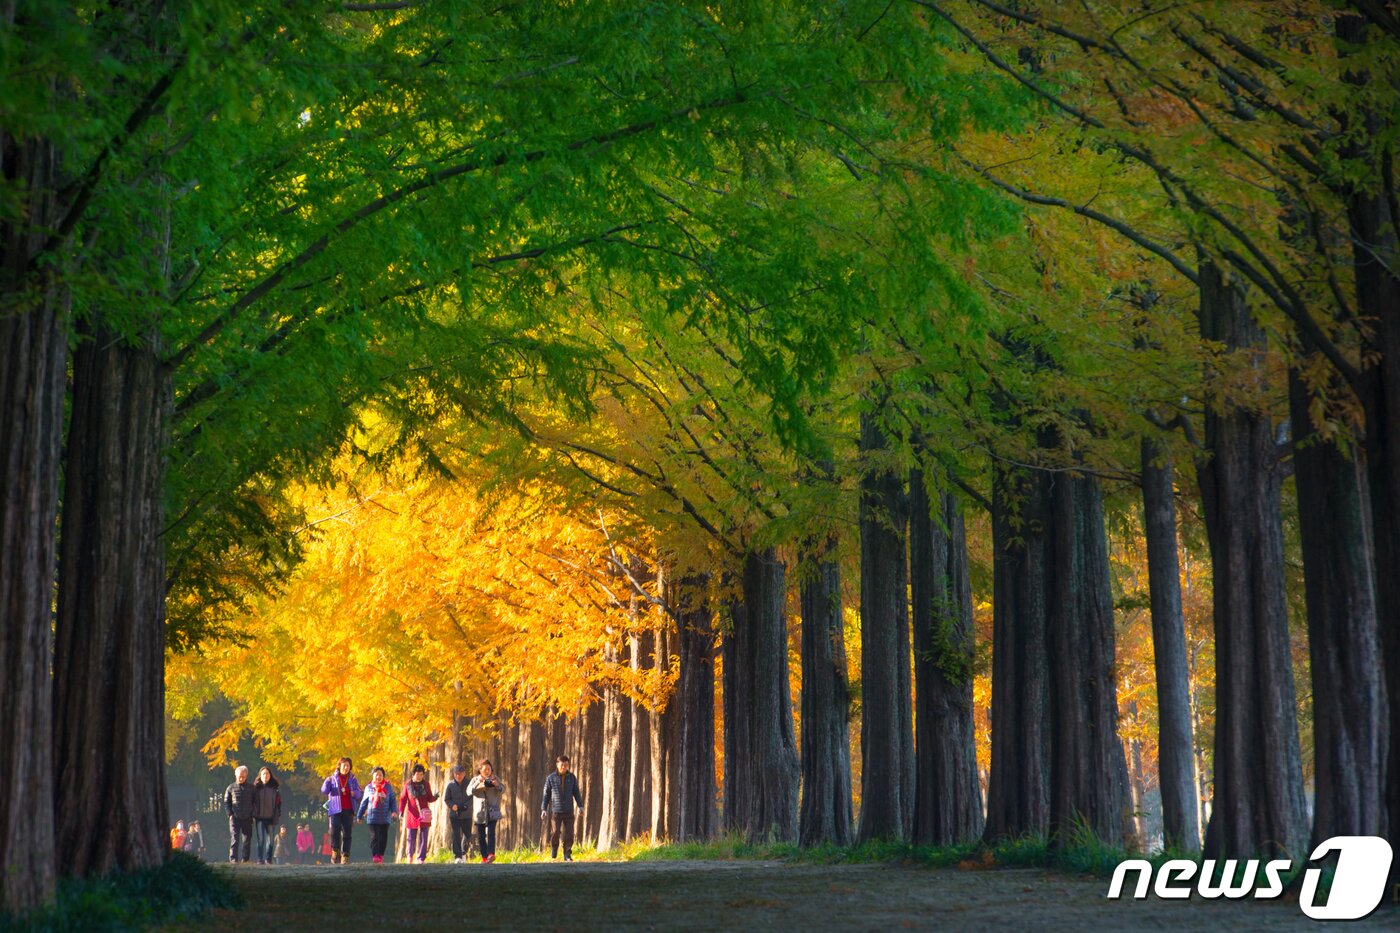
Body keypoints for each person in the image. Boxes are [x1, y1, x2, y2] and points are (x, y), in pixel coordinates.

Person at [540, 755, 583, 861]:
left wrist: (580, 806)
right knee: (555, 832)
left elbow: (576, 793)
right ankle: (554, 846)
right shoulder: (551, 778)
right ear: (557, 764)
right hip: (556, 811)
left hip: (569, 810)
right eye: (562, 764)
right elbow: (546, 795)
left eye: (566, 765)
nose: (564, 767)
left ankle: (567, 854)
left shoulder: (572, 778)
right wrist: (544, 809)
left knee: (569, 833)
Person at [320, 757, 361, 864]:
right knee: (335, 831)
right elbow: (324, 791)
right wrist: (326, 781)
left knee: (347, 833)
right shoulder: (332, 778)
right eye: (344, 765)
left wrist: (355, 793)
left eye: (348, 766)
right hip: (335, 809)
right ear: (339, 766)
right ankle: (335, 850)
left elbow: (359, 793)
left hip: (348, 809)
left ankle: (345, 855)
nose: (346, 768)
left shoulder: (353, 779)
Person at [466, 759, 506, 864]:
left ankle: (491, 854)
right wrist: (479, 783)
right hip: (479, 813)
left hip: (493, 811)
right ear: (480, 770)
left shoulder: (495, 778)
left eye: (489, 769)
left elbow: (503, 789)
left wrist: (497, 785)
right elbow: (468, 792)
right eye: (485, 769)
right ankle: (484, 857)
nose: (487, 771)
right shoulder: (475, 779)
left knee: (491, 833)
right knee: (481, 836)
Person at [355, 766, 398, 863]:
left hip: (385, 818)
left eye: (380, 775)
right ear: (373, 776)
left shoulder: (388, 787)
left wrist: (394, 812)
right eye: (376, 775)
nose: (378, 777)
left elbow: (392, 801)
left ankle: (381, 855)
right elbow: (364, 803)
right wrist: (359, 815)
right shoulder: (368, 788)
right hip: (372, 817)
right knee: (374, 837)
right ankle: (375, 855)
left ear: (383, 776)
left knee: (383, 837)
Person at [399, 763, 437, 864]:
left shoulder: (426, 784)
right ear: (413, 774)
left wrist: (435, 797)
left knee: (424, 837)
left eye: (421, 774)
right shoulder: (408, 785)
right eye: (417, 774)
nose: (419, 776)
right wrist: (401, 811)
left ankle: (421, 858)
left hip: (424, 814)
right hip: (412, 814)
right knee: (411, 837)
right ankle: (410, 856)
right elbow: (403, 799)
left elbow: (429, 798)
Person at [442, 763, 474, 863]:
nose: (458, 776)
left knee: (467, 834)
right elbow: (447, 799)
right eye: (456, 774)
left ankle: (464, 852)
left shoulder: (470, 783)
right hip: (454, 815)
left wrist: (466, 806)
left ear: (464, 774)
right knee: (455, 835)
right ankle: (458, 856)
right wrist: (452, 806)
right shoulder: (450, 785)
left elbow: (473, 797)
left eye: (460, 774)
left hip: (467, 814)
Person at [251, 766, 283, 865]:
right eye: (264, 773)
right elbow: (252, 803)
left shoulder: (274, 789)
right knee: (260, 840)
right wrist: (253, 814)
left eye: (267, 774)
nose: (266, 775)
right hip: (259, 818)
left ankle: (268, 859)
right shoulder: (255, 789)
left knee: (270, 841)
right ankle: (260, 859)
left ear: (270, 776)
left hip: (270, 819)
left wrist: (277, 815)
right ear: (260, 775)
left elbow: (278, 804)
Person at [224, 765, 255, 863]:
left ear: (246, 776)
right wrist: (230, 814)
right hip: (235, 817)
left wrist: (253, 815)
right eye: (239, 776)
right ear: (235, 775)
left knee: (247, 840)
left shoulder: (251, 788)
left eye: (243, 776)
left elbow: (255, 802)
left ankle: (245, 859)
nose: (241, 778)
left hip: (247, 817)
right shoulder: (230, 787)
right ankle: (233, 859)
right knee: (235, 839)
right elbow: (226, 802)